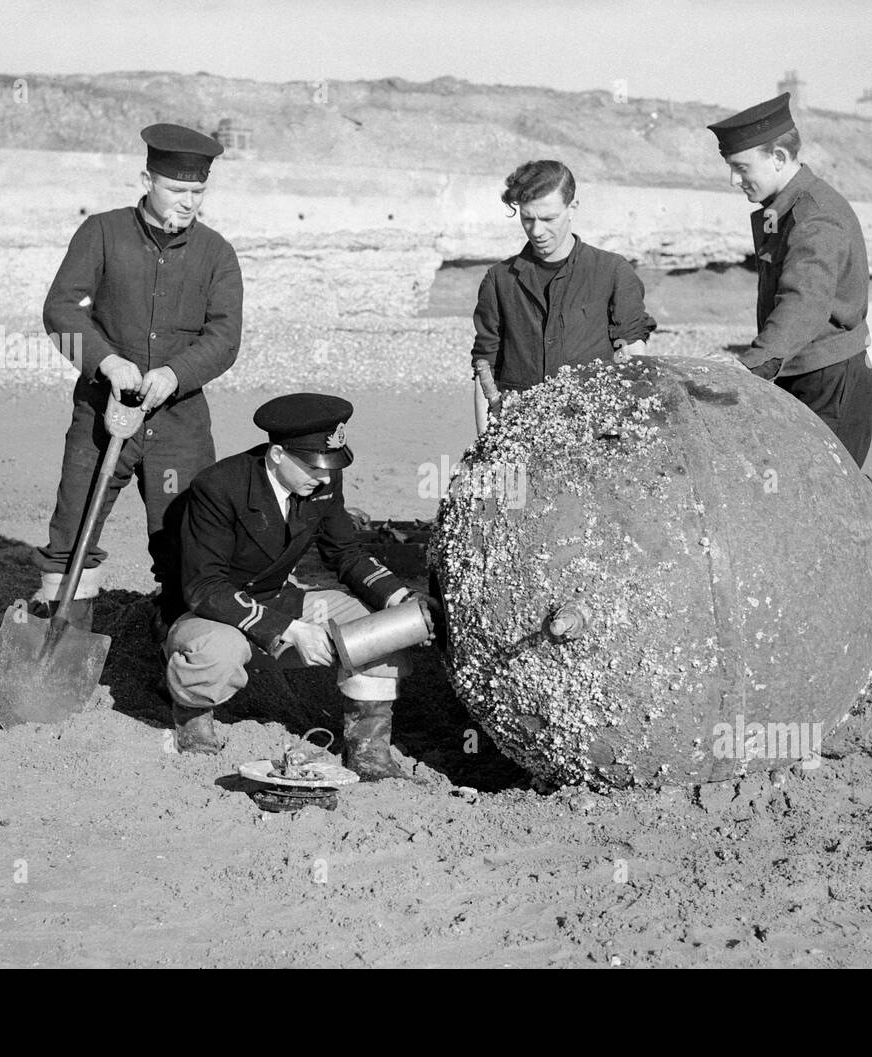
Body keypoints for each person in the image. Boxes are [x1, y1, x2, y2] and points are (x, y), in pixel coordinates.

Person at [33, 123, 243, 643]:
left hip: (180, 425)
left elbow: (225, 338)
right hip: (101, 418)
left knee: (186, 539)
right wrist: (105, 362)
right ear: (147, 179)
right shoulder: (101, 233)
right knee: (74, 527)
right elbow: (60, 310)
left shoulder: (218, 254)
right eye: (178, 190)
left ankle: (177, 648)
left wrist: (175, 374)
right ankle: (65, 636)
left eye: (198, 191)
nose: (189, 201)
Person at [164, 393, 436, 778]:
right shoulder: (218, 487)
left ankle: (368, 747)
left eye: (330, 465)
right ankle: (193, 719)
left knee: (380, 628)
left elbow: (346, 554)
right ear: (276, 454)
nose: (324, 476)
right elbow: (204, 587)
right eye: (312, 465)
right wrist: (290, 630)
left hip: (279, 599)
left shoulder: (320, 480)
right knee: (218, 651)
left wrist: (403, 599)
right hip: (211, 612)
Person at [707, 93, 872, 468]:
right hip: (798, 374)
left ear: (779, 158)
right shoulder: (784, 208)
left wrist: (750, 367)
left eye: (741, 167)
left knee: (830, 499)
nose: (734, 180)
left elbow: (804, 302)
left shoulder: (814, 216)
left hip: (829, 385)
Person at [470, 159, 657, 434]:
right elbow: (484, 369)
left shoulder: (613, 272)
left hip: (593, 434)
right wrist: (484, 447)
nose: (536, 231)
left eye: (548, 219)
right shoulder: (499, 280)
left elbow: (633, 359)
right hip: (520, 433)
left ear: (573, 208)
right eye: (527, 218)